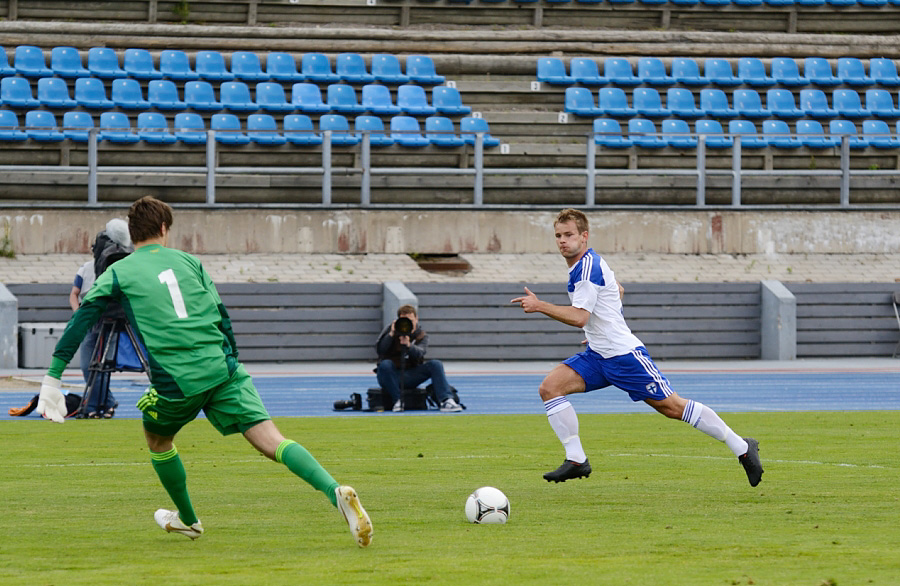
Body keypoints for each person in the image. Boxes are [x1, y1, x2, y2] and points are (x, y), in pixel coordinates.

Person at [37, 196, 373, 547]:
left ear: (132, 235)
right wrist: (233, 366)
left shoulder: (120, 271)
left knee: (158, 439)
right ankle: (334, 490)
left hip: (177, 380)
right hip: (223, 368)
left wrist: (52, 379)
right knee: (272, 440)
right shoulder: (189, 262)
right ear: (164, 229)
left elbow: (82, 320)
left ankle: (189, 519)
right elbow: (222, 316)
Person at [511, 208, 763, 487]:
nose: (562, 240)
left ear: (584, 236)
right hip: (598, 354)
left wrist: (539, 306)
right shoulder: (587, 263)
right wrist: (600, 330)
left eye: (569, 235)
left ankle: (742, 447)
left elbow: (580, 316)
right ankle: (577, 460)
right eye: (558, 235)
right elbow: (618, 290)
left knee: (672, 407)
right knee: (550, 388)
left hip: (624, 356)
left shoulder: (587, 268)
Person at [68, 219, 131, 418]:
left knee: (103, 367)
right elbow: (74, 293)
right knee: (89, 365)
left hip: (111, 319)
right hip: (91, 321)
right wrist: (78, 313)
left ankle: (98, 405)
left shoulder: (119, 264)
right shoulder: (86, 269)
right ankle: (107, 402)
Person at [375, 304, 462, 413]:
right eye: (404, 321)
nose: (408, 324)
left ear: (416, 319)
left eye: (410, 320)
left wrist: (409, 345)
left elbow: (420, 353)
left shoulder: (421, 335)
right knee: (385, 364)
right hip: (391, 375)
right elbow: (380, 350)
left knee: (436, 364)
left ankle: (446, 400)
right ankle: (398, 400)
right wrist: (391, 334)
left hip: (411, 374)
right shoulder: (390, 330)